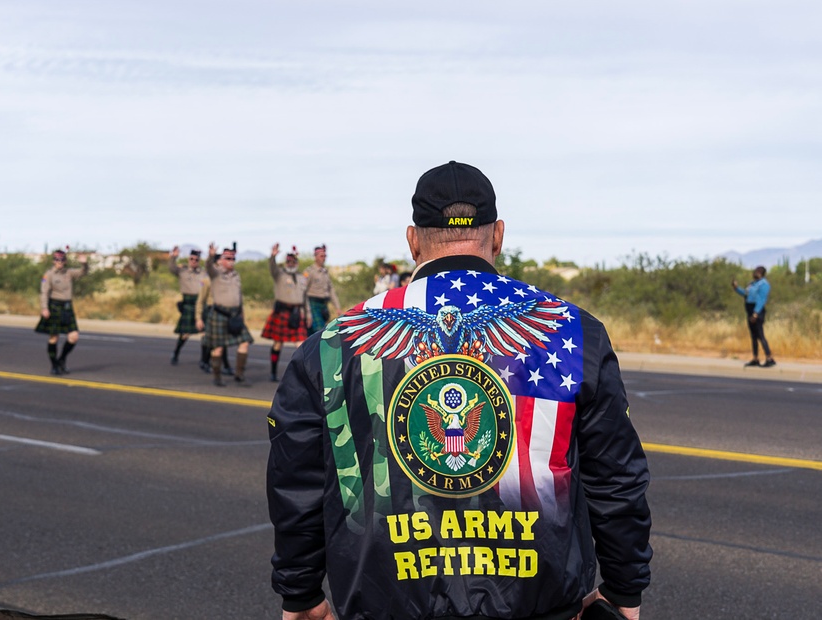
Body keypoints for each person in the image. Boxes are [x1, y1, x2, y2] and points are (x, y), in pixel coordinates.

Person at [267, 161, 652, 620]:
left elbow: (297, 479)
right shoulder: (572, 329)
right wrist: (625, 589)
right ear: (499, 235)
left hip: (385, 602)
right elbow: (616, 478)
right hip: (538, 605)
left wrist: (300, 594)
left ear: (412, 241)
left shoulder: (334, 341)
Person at [205, 242, 254, 386]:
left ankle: (239, 373)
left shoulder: (236, 275)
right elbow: (208, 266)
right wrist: (211, 255)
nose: (231, 262)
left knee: (245, 343)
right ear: (221, 260)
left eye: (233, 259)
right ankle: (217, 376)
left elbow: (239, 296)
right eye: (228, 259)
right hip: (220, 314)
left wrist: (242, 313)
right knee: (218, 347)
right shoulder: (215, 273)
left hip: (235, 315)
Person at [35, 249, 88, 375]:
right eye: (57, 259)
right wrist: (44, 308)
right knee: (54, 337)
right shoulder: (48, 275)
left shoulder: (69, 273)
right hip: (54, 306)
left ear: (65, 261)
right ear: (53, 261)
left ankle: (62, 359)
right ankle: (54, 365)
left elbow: (82, 273)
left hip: (67, 307)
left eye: (62, 259)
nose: (59, 262)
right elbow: (44, 292)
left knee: (74, 336)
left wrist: (84, 263)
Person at [262, 244, 310, 382]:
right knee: (278, 344)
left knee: (301, 345)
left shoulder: (302, 278)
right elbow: (272, 267)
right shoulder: (279, 275)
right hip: (282, 312)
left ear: (297, 263)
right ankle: (273, 371)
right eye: (289, 261)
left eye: (293, 261)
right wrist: (273, 256)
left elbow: (304, 298)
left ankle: (302, 375)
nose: (291, 263)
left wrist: (308, 314)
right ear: (285, 262)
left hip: (296, 313)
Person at [168, 247, 206, 365]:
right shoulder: (182, 271)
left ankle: (204, 360)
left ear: (199, 260)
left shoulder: (204, 273)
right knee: (185, 334)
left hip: (200, 303)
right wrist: (173, 257)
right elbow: (172, 268)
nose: (193, 261)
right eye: (191, 259)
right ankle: (176, 353)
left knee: (205, 333)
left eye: (196, 259)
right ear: (189, 259)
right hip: (188, 303)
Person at [197, 254, 233, 376]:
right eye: (219, 263)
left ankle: (211, 362)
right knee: (212, 340)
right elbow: (201, 300)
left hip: (224, 311)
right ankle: (206, 361)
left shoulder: (227, 279)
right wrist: (198, 317)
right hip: (211, 310)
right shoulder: (207, 280)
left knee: (221, 341)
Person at [732, 266, 776, 368]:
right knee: (753, 336)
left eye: (758, 271)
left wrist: (755, 313)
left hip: (757, 311)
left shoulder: (764, 284)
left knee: (760, 335)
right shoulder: (752, 284)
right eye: (755, 271)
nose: (755, 273)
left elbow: (761, 299)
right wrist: (736, 288)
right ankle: (755, 358)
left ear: (762, 273)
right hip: (749, 310)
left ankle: (769, 358)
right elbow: (746, 294)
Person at [304, 244, 341, 335]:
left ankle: (309, 349)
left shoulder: (325, 272)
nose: (324, 258)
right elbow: (302, 292)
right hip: (313, 304)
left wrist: (338, 307)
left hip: (323, 305)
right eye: (321, 256)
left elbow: (331, 291)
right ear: (315, 257)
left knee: (315, 333)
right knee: (319, 332)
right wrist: (307, 311)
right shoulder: (309, 271)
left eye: (325, 256)